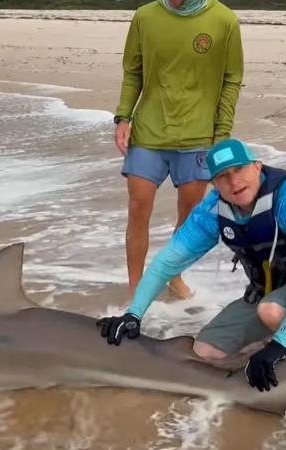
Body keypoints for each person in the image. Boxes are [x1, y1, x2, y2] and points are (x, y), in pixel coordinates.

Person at [97, 138, 286, 392]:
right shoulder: (213, 212)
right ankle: (276, 350)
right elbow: (165, 264)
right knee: (203, 352)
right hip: (266, 293)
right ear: (214, 184)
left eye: (239, 169)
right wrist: (133, 314)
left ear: (257, 166)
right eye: (222, 176)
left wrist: (281, 344)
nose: (233, 181)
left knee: (273, 312)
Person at [114, 0, 244, 301]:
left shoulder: (224, 20)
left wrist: (221, 133)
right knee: (138, 209)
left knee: (188, 218)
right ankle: (136, 288)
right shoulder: (145, 17)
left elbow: (231, 79)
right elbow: (133, 72)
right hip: (148, 133)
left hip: (198, 136)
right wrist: (123, 116)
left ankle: (175, 277)